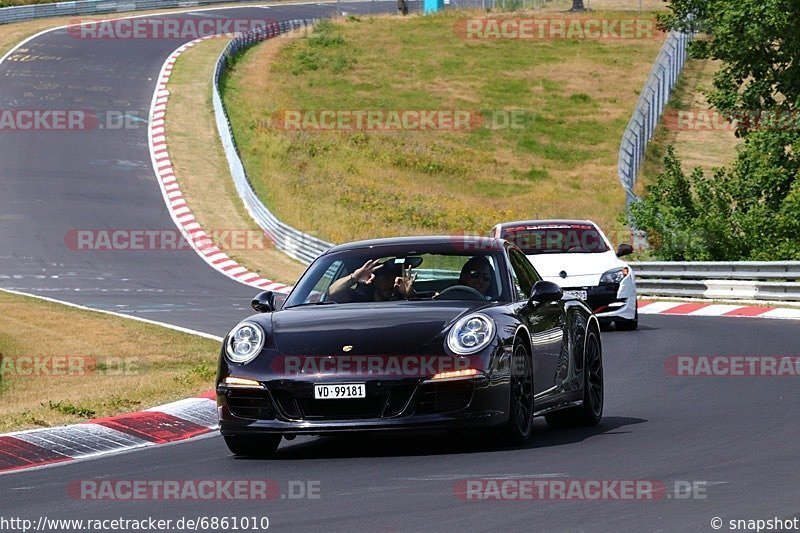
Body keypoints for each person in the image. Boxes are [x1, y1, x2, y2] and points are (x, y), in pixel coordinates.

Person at [327, 258, 416, 303]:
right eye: (385, 279)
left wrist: (410, 296)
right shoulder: (360, 300)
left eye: (393, 280)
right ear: (375, 280)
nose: (390, 284)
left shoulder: (402, 302)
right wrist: (354, 278)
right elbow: (331, 292)